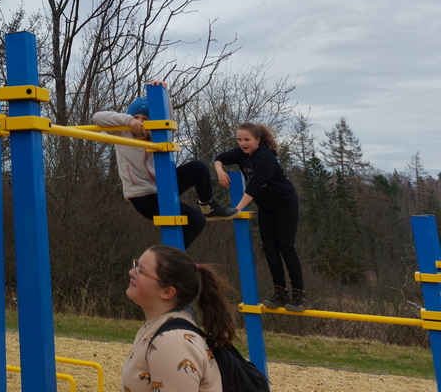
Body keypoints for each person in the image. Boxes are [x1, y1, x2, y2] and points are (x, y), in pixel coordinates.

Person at [93, 83, 236, 249]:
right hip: (144, 197)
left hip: (162, 186)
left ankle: (208, 205)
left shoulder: (155, 135)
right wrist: (128, 120)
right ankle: (165, 259)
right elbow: (97, 117)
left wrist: (164, 93)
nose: (140, 123)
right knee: (196, 221)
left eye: (145, 120)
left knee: (198, 168)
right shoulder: (121, 133)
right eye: (136, 118)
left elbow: (167, 120)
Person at [214, 122, 309, 311]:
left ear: (257, 140)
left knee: (286, 247)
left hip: (285, 204)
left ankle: (300, 295)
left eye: (247, 139)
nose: (243, 143)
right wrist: (220, 172)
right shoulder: (241, 154)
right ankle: (280, 292)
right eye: (239, 139)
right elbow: (219, 158)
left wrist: (236, 209)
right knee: (269, 249)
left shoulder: (265, 157)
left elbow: (254, 186)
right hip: (266, 206)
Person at [122, 245, 238, 392]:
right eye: (136, 265)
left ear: (167, 292)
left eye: (141, 271)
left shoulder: (172, 342)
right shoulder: (157, 327)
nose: (131, 272)